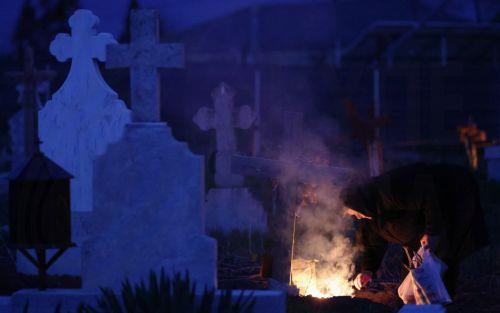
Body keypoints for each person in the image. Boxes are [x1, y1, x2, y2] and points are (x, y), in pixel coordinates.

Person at [340, 163, 490, 296]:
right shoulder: (370, 217)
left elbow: (429, 194)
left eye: (353, 212)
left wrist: (432, 231)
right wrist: (368, 270)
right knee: (413, 283)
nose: (356, 217)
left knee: (440, 263)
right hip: (419, 233)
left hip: (453, 196)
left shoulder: (389, 189)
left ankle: (438, 303)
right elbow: (371, 244)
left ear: (360, 202)